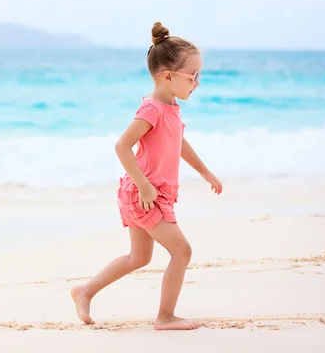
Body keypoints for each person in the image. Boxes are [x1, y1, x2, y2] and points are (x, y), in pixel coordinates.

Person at [70, 21, 223, 331]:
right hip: (144, 194)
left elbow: (178, 142)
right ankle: (165, 317)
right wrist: (143, 185)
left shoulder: (172, 107)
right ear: (167, 76)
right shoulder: (152, 108)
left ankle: (84, 291)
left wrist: (205, 171)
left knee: (139, 257)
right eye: (193, 76)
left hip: (149, 193)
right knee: (182, 251)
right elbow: (122, 146)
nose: (198, 83)